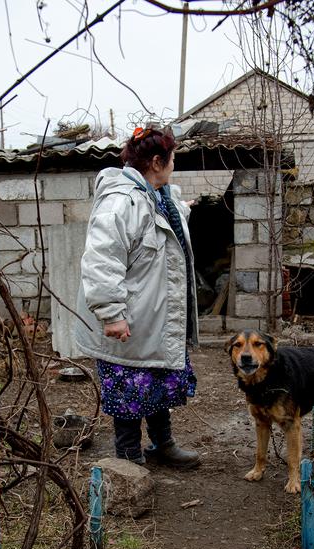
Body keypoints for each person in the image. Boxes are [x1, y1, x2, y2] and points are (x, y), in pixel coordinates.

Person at [75, 126, 200, 468]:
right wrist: (111, 312)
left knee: (158, 379)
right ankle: (128, 460)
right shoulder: (121, 201)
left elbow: (161, 224)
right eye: (172, 159)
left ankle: (163, 445)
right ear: (157, 162)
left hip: (155, 316)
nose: (174, 165)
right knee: (130, 389)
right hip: (130, 319)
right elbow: (102, 259)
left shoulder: (156, 195)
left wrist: (184, 209)